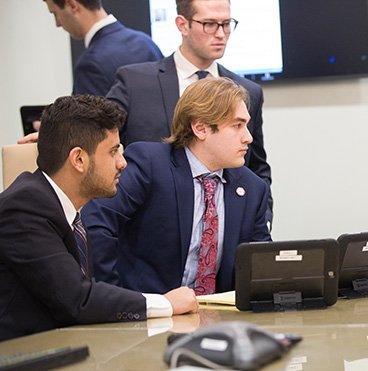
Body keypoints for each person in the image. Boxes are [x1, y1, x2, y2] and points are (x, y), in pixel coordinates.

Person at [0, 95, 197, 341]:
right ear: (79, 159)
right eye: (113, 151)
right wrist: (166, 303)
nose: (122, 163)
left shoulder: (61, 207)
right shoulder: (24, 208)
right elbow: (77, 300)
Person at [82, 77, 271, 295]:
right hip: (146, 314)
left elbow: (261, 264)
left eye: (247, 126)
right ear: (200, 128)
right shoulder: (149, 165)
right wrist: (118, 300)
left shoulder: (253, 188)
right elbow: (96, 225)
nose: (248, 137)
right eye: (237, 126)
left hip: (218, 317)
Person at [105, 0, 273, 224]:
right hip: (146, 228)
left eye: (226, 24)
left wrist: (262, 218)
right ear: (182, 25)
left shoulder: (248, 92)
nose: (221, 33)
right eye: (210, 24)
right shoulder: (136, 83)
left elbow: (256, 165)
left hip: (219, 230)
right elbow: (100, 134)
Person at [43, 0, 163, 96]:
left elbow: (89, 126)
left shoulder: (89, 65)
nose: (57, 23)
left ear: (72, 5)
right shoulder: (146, 43)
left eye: (55, 13)